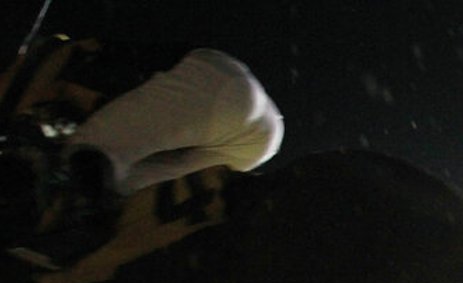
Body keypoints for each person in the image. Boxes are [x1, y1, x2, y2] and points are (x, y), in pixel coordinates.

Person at [3, 36, 283, 260]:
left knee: (89, 157)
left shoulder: (45, 62)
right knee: (118, 195)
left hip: (216, 83)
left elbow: (46, 85)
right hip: (256, 134)